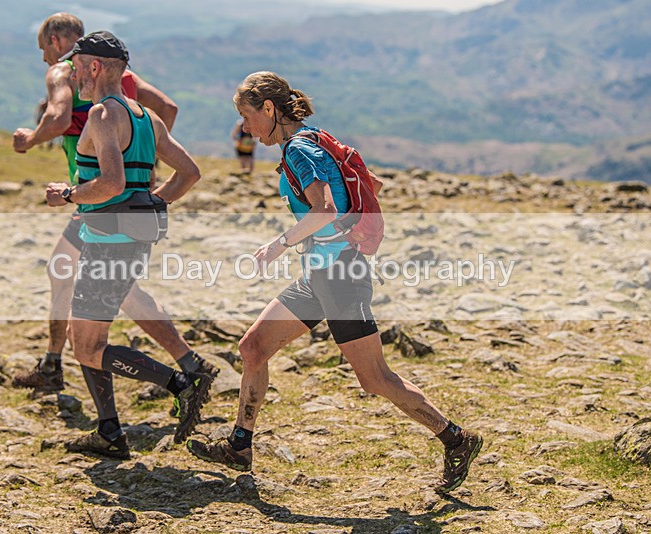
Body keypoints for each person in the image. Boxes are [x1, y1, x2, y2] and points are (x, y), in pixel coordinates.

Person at [187, 71, 482, 494]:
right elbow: (369, 185)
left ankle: (456, 439)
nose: (246, 129)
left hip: (340, 275)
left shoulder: (297, 151)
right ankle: (239, 445)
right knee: (253, 347)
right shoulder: (318, 138)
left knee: (375, 378)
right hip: (322, 274)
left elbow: (323, 209)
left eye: (247, 117)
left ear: (269, 110)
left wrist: (278, 245)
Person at [11, 13, 216, 403]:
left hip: (99, 202)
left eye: (44, 50)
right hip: (125, 206)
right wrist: (146, 176)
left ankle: (61, 368)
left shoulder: (66, 75)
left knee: (83, 289)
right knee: (110, 285)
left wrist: (30, 142)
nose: (47, 60)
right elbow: (167, 110)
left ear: (56, 41)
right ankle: (183, 367)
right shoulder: (130, 84)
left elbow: (56, 120)